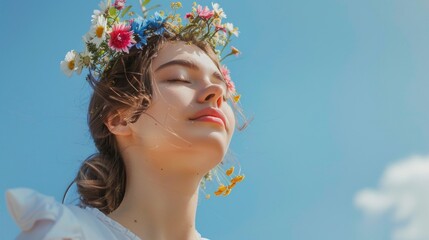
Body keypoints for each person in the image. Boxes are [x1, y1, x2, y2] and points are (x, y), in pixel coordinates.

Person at [5, 1, 246, 239]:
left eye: (223, 90)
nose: (215, 92)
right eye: (179, 78)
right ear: (120, 118)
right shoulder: (66, 233)